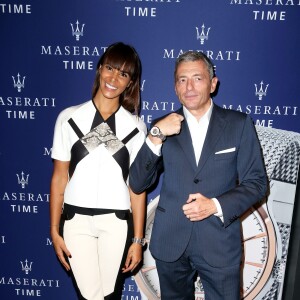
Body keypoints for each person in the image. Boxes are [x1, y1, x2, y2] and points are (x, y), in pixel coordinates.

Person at [129, 51, 268, 300]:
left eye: (197, 78)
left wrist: (215, 205)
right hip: (170, 242)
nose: (189, 87)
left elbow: (257, 183)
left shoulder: (238, 124)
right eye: (182, 80)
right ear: (174, 86)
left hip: (219, 243)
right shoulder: (161, 126)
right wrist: (155, 137)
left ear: (213, 83)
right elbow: (138, 182)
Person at [50, 42, 147, 300]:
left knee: (109, 295)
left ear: (130, 83)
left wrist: (137, 241)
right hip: (75, 221)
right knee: (91, 295)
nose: (114, 78)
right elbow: (60, 178)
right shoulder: (68, 118)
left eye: (123, 74)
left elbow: (136, 188)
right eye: (110, 68)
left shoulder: (136, 127)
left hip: (115, 222)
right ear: (99, 69)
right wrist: (53, 229)